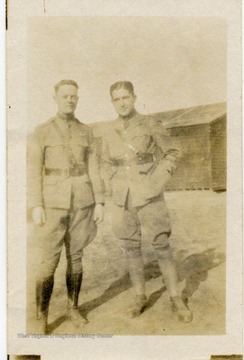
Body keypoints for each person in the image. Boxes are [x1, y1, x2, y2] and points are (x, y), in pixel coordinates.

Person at [100, 81, 192, 322]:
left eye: (125, 97)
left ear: (134, 98)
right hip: (122, 197)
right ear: (112, 102)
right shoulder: (108, 130)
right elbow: (104, 162)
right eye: (117, 98)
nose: (122, 102)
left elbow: (173, 152)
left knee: (161, 245)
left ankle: (175, 298)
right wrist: (112, 181)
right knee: (131, 247)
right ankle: (140, 296)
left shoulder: (150, 124)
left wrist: (156, 182)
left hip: (149, 193)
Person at [27, 80, 104, 334]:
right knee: (48, 262)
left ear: (78, 99)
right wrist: (36, 204)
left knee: (76, 259)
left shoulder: (87, 132)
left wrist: (100, 201)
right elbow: (33, 172)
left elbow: (94, 169)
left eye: (73, 96)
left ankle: (73, 308)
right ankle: (41, 315)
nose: (69, 100)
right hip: (53, 204)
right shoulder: (42, 131)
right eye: (65, 96)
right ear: (55, 98)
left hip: (82, 202)